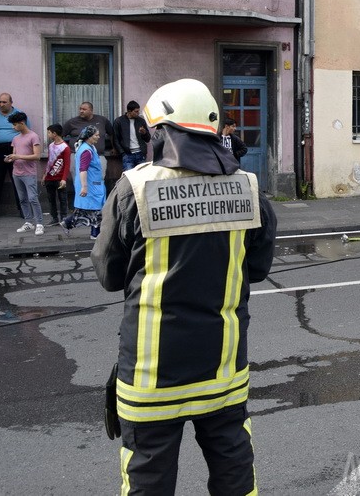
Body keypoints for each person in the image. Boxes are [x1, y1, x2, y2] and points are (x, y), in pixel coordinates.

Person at [92, 78, 276, 495]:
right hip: (223, 370)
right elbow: (259, 268)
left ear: (158, 132)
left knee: (149, 480)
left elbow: (108, 275)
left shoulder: (133, 189)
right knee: (234, 472)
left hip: (151, 374)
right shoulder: (249, 188)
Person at [63, 101, 117, 194]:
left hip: (98, 156)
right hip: (77, 156)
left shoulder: (102, 120)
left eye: (84, 109)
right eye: (80, 109)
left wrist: (114, 147)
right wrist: (68, 149)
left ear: (91, 110)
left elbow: (111, 133)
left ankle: (96, 205)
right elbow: (60, 137)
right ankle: (80, 205)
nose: (81, 111)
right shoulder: (72, 122)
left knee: (98, 180)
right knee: (79, 181)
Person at [61, 124, 105, 239]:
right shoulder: (86, 151)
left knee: (85, 209)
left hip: (93, 183)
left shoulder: (88, 147)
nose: (98, 137)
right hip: (90, 184)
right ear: (89, 136)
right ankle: (95, 234)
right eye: (96, 135)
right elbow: (83, 169)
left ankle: (67, 223)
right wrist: (84, 186)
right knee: (96, 209)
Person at [5, 112, 44, 236]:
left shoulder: (33, 136)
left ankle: (39, 223)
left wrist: (18, 156)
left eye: (15, 124)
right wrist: (10, 158)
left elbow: (37, 156)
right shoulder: (15, 138)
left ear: (22, 123)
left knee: (33, 198)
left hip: (29, 173)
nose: (13, 127)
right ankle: (28, 222)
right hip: (17, 172)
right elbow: (14, 153)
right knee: (22, 199)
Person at [42, 124, 71, 226]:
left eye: (49, 132)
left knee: (62, 199)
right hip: (49, 177)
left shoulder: (65, 148)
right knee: (51, 199)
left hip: (59, 178)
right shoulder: (50, 146)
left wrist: (64, 179)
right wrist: (45, 174)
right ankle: (54, 218)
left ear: (54, 133)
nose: (48, 134)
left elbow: (67, 164)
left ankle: (64, 218)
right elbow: (50, 161)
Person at [112, 100, 151, 170]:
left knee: (142, 176)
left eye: (138, 111)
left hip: (140, 153)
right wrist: (123, 153)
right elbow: (115, 139)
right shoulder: (119, 121)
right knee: (129, 177)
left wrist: (144, 133)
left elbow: (148, 139)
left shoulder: (141, 121)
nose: (138, 113)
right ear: (129, 111)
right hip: (127, 155)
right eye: (136, 111)